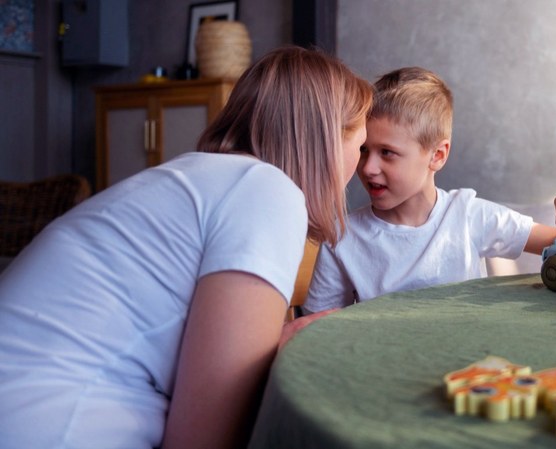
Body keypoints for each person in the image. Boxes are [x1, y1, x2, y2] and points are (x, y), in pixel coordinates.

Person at [0, 46, 372, 449]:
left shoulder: (189, 178)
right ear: (325, 140)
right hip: (47, 422)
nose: (363, 166)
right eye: (361, 146)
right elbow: (202, 438)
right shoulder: (267, 191)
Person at [302, 67, 556, 314]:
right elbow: (318, 328)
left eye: (387, 153)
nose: (368, 168)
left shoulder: (468, 215)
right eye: (364, 150)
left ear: (437, 156)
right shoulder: (340, 237)